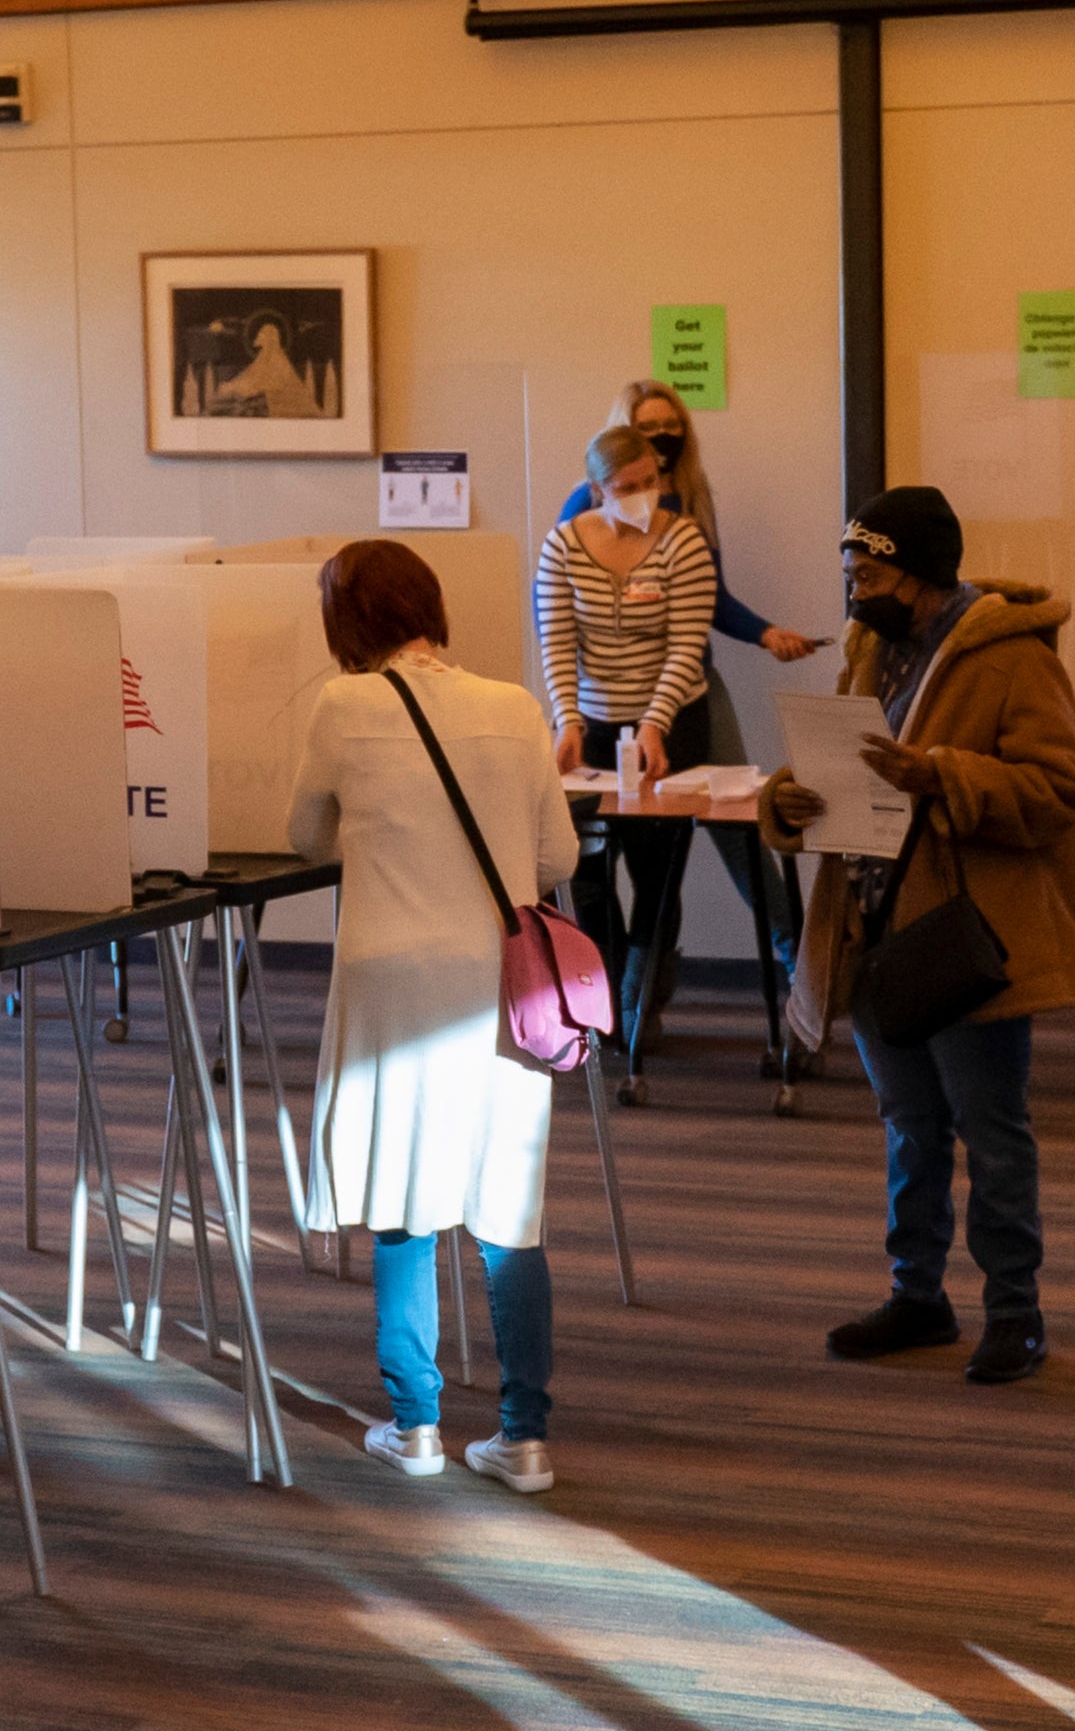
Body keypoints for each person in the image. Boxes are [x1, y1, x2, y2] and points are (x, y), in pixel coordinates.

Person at [760, 486, 1075, 1387]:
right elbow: (845, 763)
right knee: (909, 1127)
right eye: (847, 571)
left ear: (917, 573)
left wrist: (940, 774)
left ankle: (1014, 1313)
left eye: (865, 571)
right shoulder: (874, 646)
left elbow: (1061, 790)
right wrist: (786, 800)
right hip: (872, 927)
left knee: (992, 1131)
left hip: (962, 932)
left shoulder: (1013, 658)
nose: (852, 590)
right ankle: (919, 1294)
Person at [288, 538, 578, 1496]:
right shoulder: (515, 705)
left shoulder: (342, 706)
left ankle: (414, 1424)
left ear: (348, 623)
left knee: (404, 1198)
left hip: (389, 982)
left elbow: (304, 836)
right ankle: (524, 1439)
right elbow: (558, 858)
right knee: (510, 1209)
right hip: (497, 983)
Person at [551, 379, 824, 993]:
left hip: (684, 686)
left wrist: (765, 633)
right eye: (649, 432)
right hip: (602, 706)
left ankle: (797, 959)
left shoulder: (692, 505)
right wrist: (570, 714)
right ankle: (632, 988)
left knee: (730, 815)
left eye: (672, 432)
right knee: (599, 858)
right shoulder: (580, 516)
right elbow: (565, 618)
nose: (663, 446)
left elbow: (709, 605)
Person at [536, 423, 719, 995]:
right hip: (593, 727)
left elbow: (688, 644)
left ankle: (643, 1005)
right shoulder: (563, 544)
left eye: (649, 481)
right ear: (596, 491)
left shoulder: (684, 541)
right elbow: (558, 640)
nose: (641, 493)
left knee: (655, 871)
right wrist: (568, 718)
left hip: (672, 724)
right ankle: (604, 996)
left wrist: (654, 723)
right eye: (625, 486)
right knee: (585, 871)